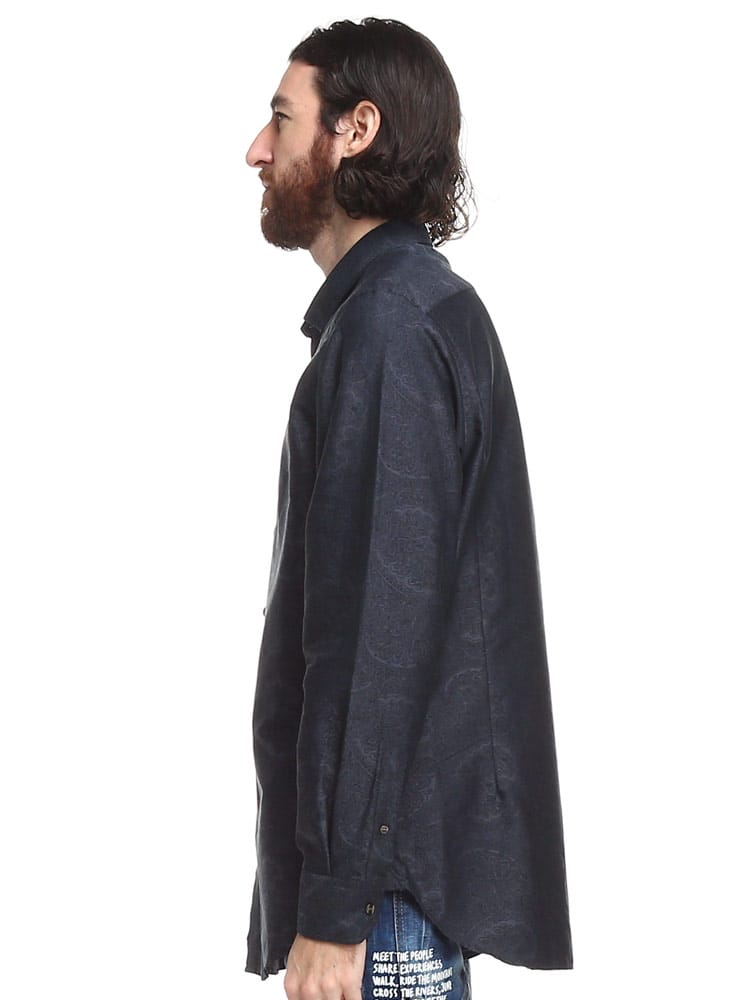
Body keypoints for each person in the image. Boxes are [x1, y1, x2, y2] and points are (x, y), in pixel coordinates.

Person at [243, 17, 573, 1000]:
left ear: (356, 130)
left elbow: (377, 642)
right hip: (390, 889)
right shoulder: (405, 311)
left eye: (281, 119)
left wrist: (335, 902)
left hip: (380, 902)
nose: (256, 150)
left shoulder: (390, 327)